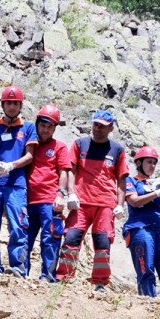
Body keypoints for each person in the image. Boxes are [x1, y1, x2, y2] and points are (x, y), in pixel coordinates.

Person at [55, 109, 129, 291]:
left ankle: (100, 282)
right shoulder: (80, 144)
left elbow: (121, 180)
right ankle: (63, 278)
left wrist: (120, 205)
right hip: (80, 202)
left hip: (105, 204)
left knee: (103, 242)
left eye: (103, 126)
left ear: (111, 128)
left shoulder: (117, 150)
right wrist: (70, 193)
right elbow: (70, 170)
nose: (98, 129)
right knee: (71, 237)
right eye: (95, 124)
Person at [0, 86, 37, 275]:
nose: (12, 107)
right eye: (8, 103)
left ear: (20, 105)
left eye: (15, 103)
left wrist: (11, 165)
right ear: (2, 104)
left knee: (18, 226)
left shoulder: (28, 127)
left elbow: (29, 156)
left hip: (16, 184)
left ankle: (18, 268)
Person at [123, 146, 160, 298]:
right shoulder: (131, 181)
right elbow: (134, 201)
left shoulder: (158, 182)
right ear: (139, 163)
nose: (152, 166)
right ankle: (148, 303)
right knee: (145, 268)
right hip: (140, 227)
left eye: (154, 163)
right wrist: (157, 192)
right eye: (149, 162)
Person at [26, 104, 71, 281]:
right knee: (25, 239)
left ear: (54, 128)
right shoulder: (30, 144)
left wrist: (60, 195)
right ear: (37, 124)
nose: (45, 129)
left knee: (50, 239)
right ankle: (21, 272)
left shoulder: (59, 147)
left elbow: (64, 172)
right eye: (43, 125)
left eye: (50, 126)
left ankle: (47, 276)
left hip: (50, 201)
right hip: (28, 200)